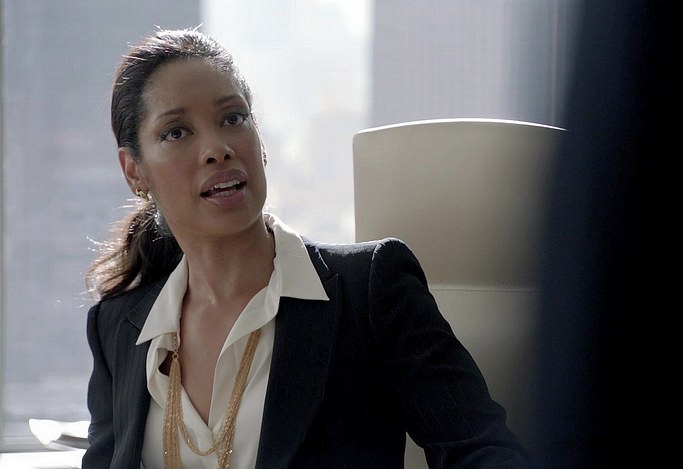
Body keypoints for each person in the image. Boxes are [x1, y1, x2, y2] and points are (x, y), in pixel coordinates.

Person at [83, 28, 530, 468]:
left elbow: (482, 449)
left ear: (260, 142)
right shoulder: (118, 327)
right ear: (134, 171)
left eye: (233, 119)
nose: (217, 149)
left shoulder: (368, 290)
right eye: (177, 132)